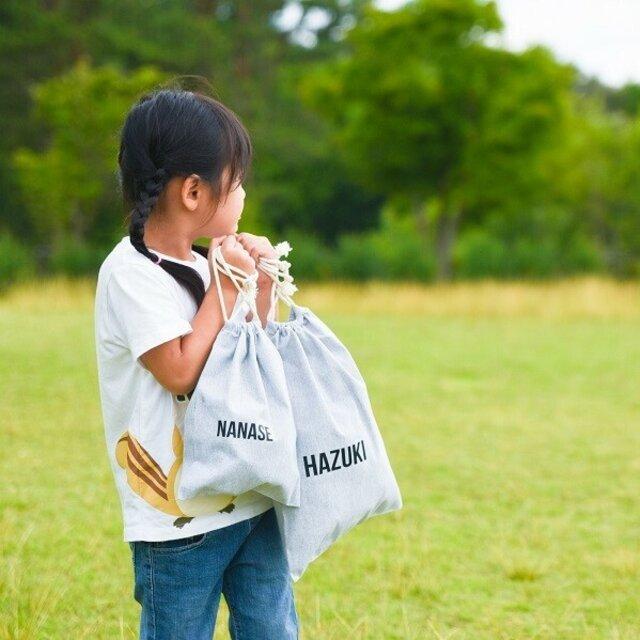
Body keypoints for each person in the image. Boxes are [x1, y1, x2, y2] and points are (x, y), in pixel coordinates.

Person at [93, 87, 299, 639]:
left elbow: (243, 348)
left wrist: (254, 285)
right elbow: (180, 370)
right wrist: (222, 289)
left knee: (272, 626)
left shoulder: (209, 265)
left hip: (249, 491)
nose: (243, 195)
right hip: (178, 518)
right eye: (235, 183)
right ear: (192, 191)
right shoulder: (131, 274)